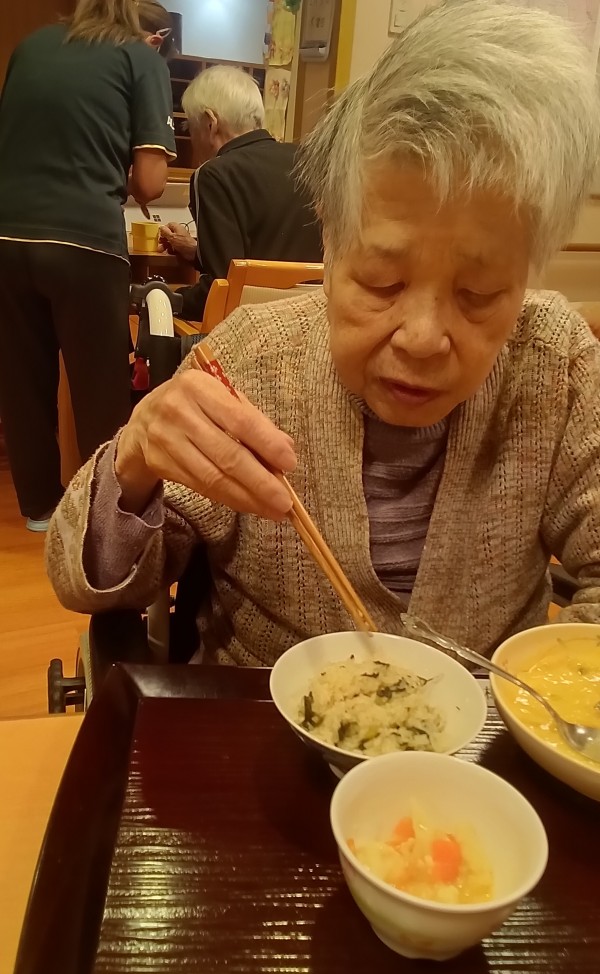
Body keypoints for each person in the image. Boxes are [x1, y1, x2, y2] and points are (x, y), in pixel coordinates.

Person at [47, 0, 600, 662]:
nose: (422, 338)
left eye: (479, 294)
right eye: (382, 282)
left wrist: (549, 697)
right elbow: (88, 579)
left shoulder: (555, 363)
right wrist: (133, 463)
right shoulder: (251, 365)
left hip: (490, 725)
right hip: (261, 717)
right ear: (330, 244)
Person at [0, 0, 176, 531]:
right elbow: (151, 183)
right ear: (152, 32)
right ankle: (105, 516)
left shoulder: (30, 47)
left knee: (22, 382)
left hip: (8, 233)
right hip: (85, 240)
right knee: (100, 389)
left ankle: (39, 510)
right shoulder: (140, 59)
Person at [159, 65, 322, 321]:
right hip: (316, 320)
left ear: (210, 123)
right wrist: (196, 251)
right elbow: (269, 253)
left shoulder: (214, 175)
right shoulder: (312, 161)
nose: (190, 138)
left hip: (253, 325)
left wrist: (163, 298)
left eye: (190, 127)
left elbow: (223, 289)